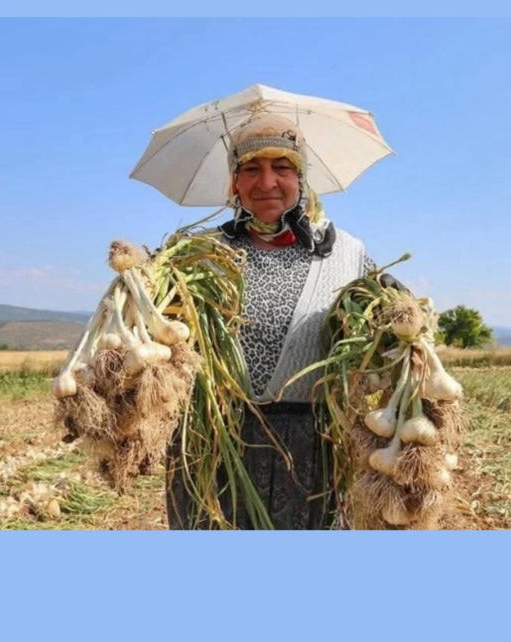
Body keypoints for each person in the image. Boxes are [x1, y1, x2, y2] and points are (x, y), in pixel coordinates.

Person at [165, 113, 407, 530]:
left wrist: (394, 312)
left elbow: (379, 343)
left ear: (302, 177)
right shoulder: (197, 254)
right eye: (250, 169)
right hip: (215, 447)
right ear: (233, 182)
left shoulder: (347, 254)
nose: (267, 182)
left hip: (314, 453)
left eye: (282, 167)